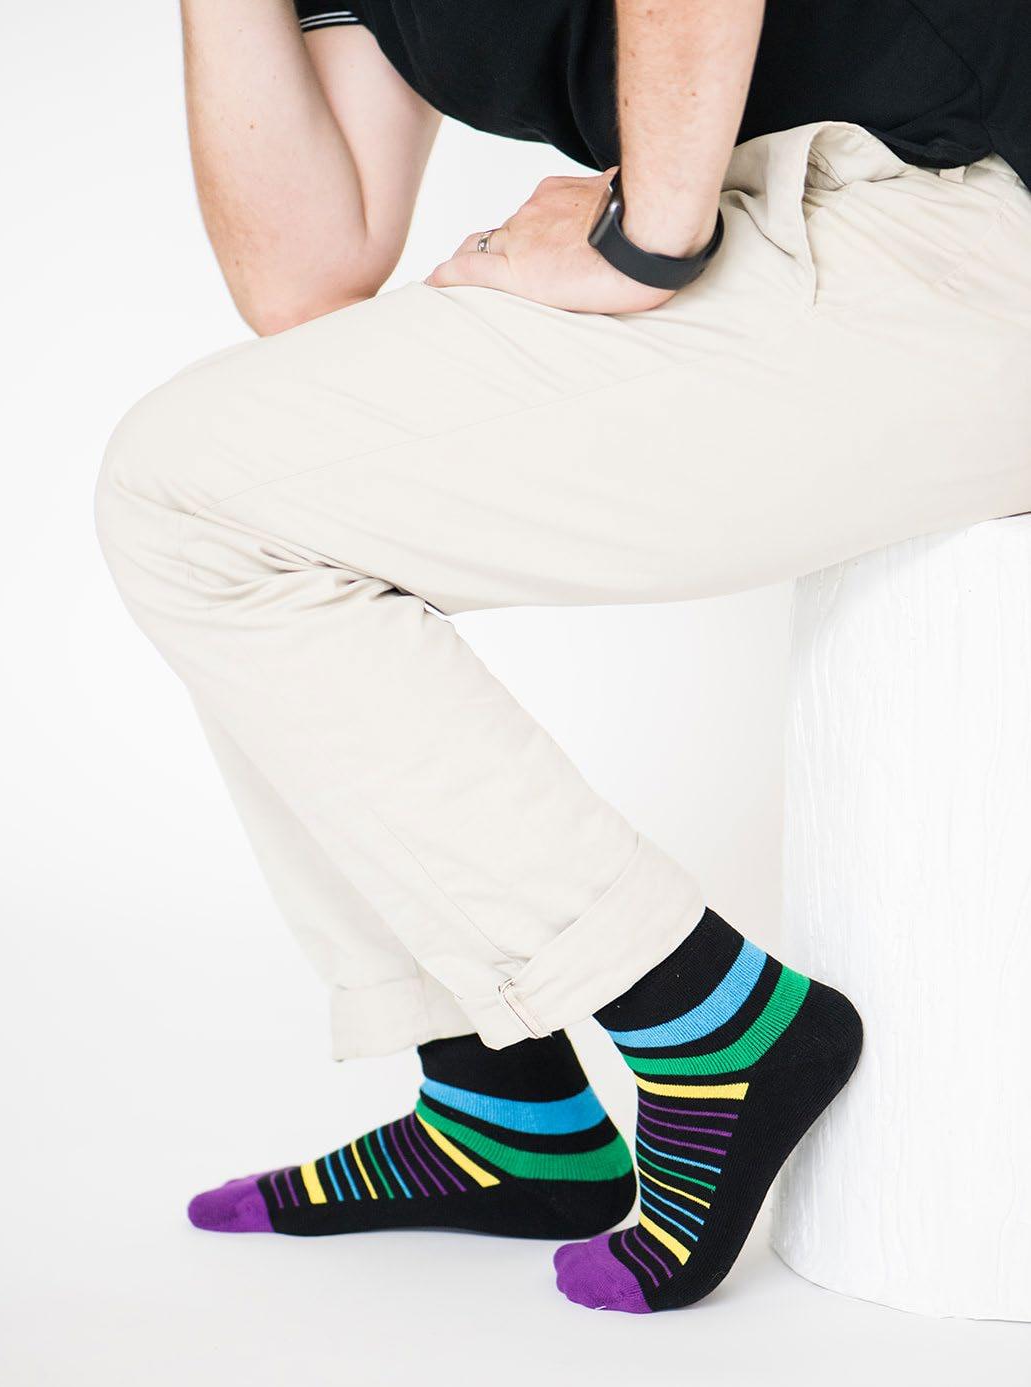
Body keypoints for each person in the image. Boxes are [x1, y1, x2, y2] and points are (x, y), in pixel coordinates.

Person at [93, 0, 1031, 1315]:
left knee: (197, 500)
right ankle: (503, 1106)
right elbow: (302, 278)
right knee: (226, 486)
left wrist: (647, 237)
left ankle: (703, 1023)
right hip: (843, 225)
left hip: (966, 220)